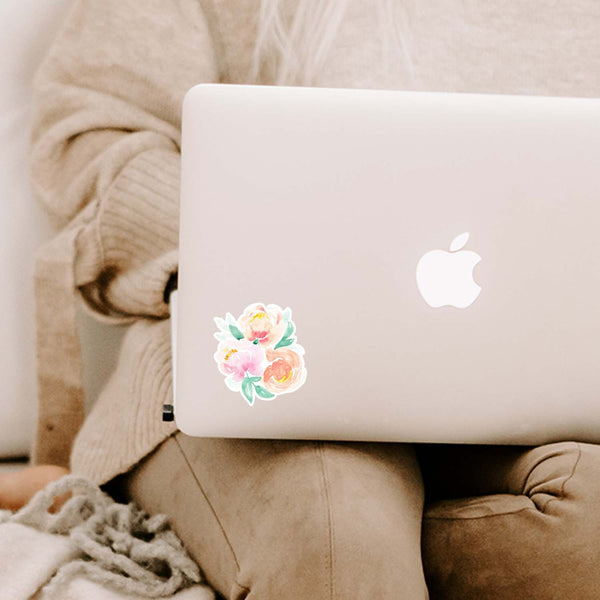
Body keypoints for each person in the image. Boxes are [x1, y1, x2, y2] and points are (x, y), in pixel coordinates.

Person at [24, 1, 600, 598]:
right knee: (337, 525)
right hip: (257, 379)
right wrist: (249, 251)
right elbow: (90, 129)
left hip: (545, 398)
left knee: (588, 531)